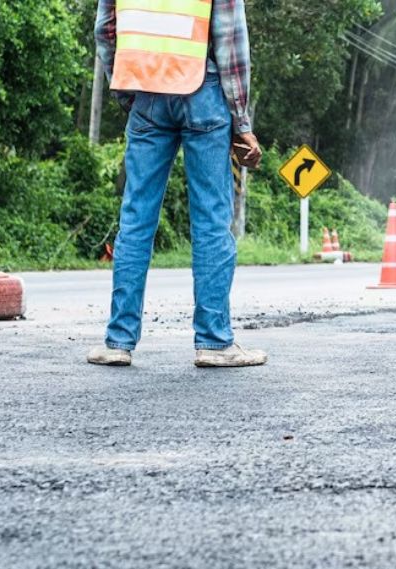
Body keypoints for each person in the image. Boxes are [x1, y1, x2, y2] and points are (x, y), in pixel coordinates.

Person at [88, 0, 267, 368]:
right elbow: (231, 43)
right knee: (212, 219)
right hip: (204, 90)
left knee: (136, 218)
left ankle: (118, 342)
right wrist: (242, 122)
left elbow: (105, 30)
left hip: (146, 92)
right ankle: (215, 343)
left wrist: (125, 89)